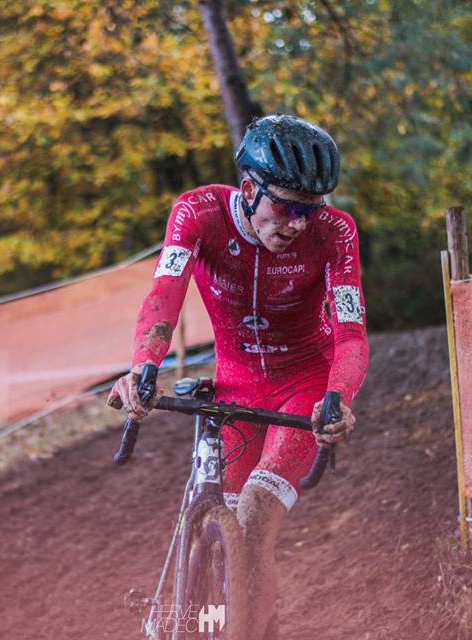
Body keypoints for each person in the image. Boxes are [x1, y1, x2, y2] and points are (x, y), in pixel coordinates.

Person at [107, 114, 370, 639]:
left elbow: (351, 333)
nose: (299, 223)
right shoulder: (198, 213)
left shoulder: (335, 232)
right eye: (287, 207)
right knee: (218, 522)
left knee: (252, 519)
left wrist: (338, 396)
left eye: (311, 209)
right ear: (249, 190)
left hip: (303, 386)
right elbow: (165, 292)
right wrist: (144, 365)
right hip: (234, 388)